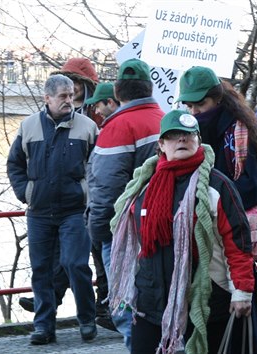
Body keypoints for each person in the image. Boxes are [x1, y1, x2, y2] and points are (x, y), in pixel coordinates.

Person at [108, 110, 254, 354]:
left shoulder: (217, 186)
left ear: (198, 139)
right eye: (174, 136)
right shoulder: (142, 186)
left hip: (206, 299)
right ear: (161, 144)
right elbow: (132, 241)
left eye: (188, 135)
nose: (182, 140)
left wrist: (242, 291)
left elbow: (238, 243)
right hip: (151, 301)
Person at [176, 65, 257, 352]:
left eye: (200, 104)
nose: (194, 112)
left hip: (231, 239)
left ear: (217, 99)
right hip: (195, 238)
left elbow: (255, 187)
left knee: (234, 328)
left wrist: (213, 197)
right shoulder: (185, 132)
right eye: (188, 105)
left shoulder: (240, 131)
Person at [17, 58, 111, 327]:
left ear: (86, 85)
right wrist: (27, 191)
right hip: (51, 203)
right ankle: (52, 305)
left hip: (87, 200)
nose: (72, 92)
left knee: (86, 259)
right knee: (66, 258)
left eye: (76, 85)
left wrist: (91, 195)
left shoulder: (94, 115)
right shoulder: (45, 117)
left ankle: (99, 309)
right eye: (67, 89)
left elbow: (99, 160)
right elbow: (19, 160)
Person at [6, 74, 98, 345]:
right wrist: (26, 193)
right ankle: (44, 326)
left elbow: (98, 167)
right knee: (41, 268)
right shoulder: (28, 126)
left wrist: (89, 195)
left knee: (76, 263)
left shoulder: (88, 127)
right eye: (63, 96)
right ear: (47, 98)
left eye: (71, 95)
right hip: (39, 212)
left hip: (75, 210)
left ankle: (87, 319)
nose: (69, 100)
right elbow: (15, 164)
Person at [87, 58, 164, 349]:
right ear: (150, 88)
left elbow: (106, 189)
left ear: (118, 92)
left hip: (124, 233)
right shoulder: (164, 120)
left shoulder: (118, 127)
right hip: (160, 230)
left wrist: (99, 232)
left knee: (126, 309)